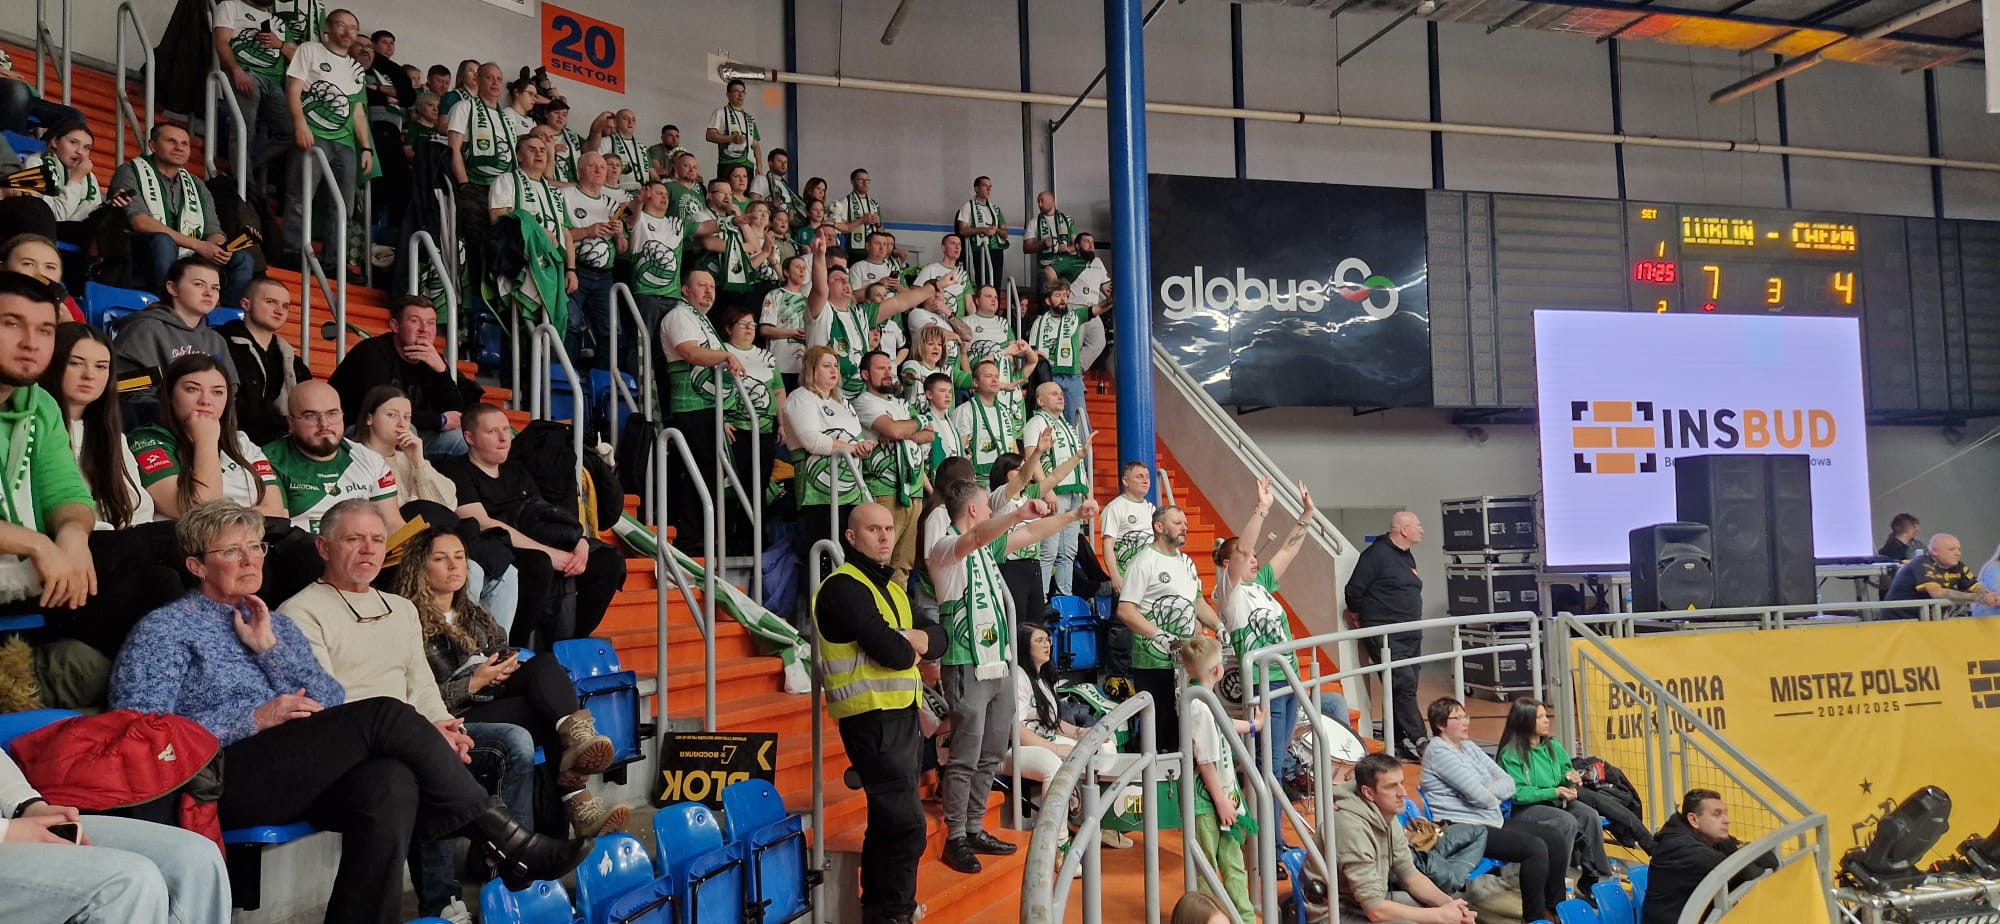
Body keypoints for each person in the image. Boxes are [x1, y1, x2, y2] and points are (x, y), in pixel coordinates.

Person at [110, 500, 592, 922]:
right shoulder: (165, 631)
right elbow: (137, 733)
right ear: (196, 565)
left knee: (390, 783)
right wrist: (252, 720)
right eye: (232, 551)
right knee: (385, 713)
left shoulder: (273, 624)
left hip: (293, 769)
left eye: (256, 546)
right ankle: (507, 842)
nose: (250, 558)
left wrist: (269, 650)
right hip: (218, 777)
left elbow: (328, 698)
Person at [395, 525, 626, 829]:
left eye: (460, 557)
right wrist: (475, 682)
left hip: (493, 695)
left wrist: (504, 667)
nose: (454, 566)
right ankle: (576, 808)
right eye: (440, 559)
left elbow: (498, 649)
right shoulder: (407, 619)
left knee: (544, 666)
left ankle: (577, 740)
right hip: (454, 716)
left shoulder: (472, 612)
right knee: (547, 719)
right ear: (420, 567)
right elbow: (418, 695)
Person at [929, 479, 1094, 874]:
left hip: (999, 661)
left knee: (990, 752)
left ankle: (974, 828)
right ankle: (955, 837)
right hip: (967, 661)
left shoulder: (986, 548)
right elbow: (979, 536)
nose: (990, 512)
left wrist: (1072, 515)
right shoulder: (944, 547)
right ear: (972, 510)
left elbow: (1030, 534)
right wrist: (1016, 513)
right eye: (986, 507)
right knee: (966, 755)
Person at [813, 502, 943, 924]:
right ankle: (896, 912)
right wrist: (914, 644)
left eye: (889, 528)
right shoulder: (842, 587)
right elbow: (894, 653)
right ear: (852, 538)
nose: (885, 536)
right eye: (874, 530)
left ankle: (878, 910)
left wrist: (914, 640)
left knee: (888, 823)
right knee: (907, 825)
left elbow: (940, 637)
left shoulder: (893, 588)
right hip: (869, 720)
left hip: (902, 717)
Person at [37, 322, 184, 659]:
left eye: (101, 366)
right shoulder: (37, 428)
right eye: (76, 363)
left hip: (121, 553)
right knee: (180, 539)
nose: (90, 375)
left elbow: (138, 508)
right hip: (68, 549)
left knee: (166, 579)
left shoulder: (111, 436)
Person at [440, 403, 627, 646]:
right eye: (492, 431)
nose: (503, 438)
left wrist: (578, 542)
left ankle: (570, 642)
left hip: (534, 539)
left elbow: (545, 514)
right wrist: (550, 554)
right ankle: (515, 646)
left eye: (505, 429)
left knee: (607, 561)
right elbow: (484, 523)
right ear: (469, 438)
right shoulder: (455, 471)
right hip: (493, 547)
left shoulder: (517, 470)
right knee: (538, 564)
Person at [0, 746, 231, 924]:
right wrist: (8, 832)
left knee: (195, 858)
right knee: (128, 882)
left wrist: (27, 805)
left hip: (12, 821)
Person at [1418, 697, 1569, 923]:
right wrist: (1487, 792)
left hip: (1489, 819)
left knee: (1554, 837)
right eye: (1458, 718)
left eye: (1466, 716)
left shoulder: (1468, 746)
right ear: (1440, 724)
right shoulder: (1439, 752)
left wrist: (1488, 790)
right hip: (1463, 828)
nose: (1466, 722)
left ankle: (1554, 908)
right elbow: (1482, 797)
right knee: (1534, 848)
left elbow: (1508, 783)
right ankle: (1534, 918)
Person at [1214, 476, 1314, 779]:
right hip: (1264, 682)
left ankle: (1272, 809)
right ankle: (1264, 811)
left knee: (1279, 759)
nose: (1254, 560)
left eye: (1257, 557)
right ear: (1228, 565)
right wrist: (1261, 508)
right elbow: (1243, 550)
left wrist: (1307, 514)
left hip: (1289, 676)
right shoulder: (1227, 593)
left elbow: (1287, 551)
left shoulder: (1261, 585)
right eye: (1248, 557)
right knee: (1269, 761)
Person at [112, 123, 255, 307]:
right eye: (171, 141)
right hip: (141, 250)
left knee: (242, 259)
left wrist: (219, 247)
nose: (179, 148)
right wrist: (198, 245)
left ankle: (225, 318)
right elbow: (139, 222)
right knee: (163, 241)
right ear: (152, 145)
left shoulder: (196, 184)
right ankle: (167, 306)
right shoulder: (130, 172)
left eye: (184, 144)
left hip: (189, 252)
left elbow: (213, 230)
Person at [1332, 753, 1480, 924]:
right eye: (1391, 787)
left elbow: (1411, 876)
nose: (1402, 793)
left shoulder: (1388, 815)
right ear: (1368, 793)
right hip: (1336, 911)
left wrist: (1451, 906)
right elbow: (1374, 910)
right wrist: (1440, 916)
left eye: (1401, 783)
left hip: (1362, 902)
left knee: (1430, 907)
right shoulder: (1350, 828)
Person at [1118, 504, 1218, 748]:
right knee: (1158, 732)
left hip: (1186, 661)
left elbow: (1198, 602)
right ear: (1159, 527)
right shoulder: (1143, 562)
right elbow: (1125, 610)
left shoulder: (1187, 562)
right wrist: (1159, 635)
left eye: (1186, 523)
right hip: (1153, 663)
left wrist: (1219, 625)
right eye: (1177, 523)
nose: (1185, 527)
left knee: (1185, 730)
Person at [1496, 698, 1615, 896]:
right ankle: (1555, 882)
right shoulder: (1511, 754)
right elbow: (1518, 794)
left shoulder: (1553, 746)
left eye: (1546, 715)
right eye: (1540, 717)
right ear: (1525, 720)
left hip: (1555, 801)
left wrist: (1570, 780)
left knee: (1590, 816)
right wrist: (1555, 791)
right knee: (1566, 821)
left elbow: (1564, 773)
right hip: (1524, 808)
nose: (1546, 720)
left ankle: (1595, 879)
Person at [279, 8, 370, 264]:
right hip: (314, 134)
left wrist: (365, 147)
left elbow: (358, 112)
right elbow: (293, 89)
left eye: (353, 27)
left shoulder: (356, 67)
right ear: (327, 29)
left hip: (346, 144)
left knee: (343, 207)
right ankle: (292, 253)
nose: (348, 31)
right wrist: (300, 125)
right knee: (300, 197)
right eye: (342, 25)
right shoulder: (310, 50)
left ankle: (334, 262)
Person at [328, 296, 472, 457]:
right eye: (415, 321)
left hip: (411, 432)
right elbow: (383, 410)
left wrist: (441, 371)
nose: (424, 329)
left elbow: (457, 414)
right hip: (356, 431)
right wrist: (440, 421)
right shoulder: (372, 353)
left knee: (464, 439)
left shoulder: (432, 359)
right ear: (395, 326)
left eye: (431, 323)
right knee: (402, 429)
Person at [1181, 635, 1260, 921]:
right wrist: (1222, 802)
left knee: (1232, 859)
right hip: (1207, 797)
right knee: (1207, 864)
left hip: (1219, 793)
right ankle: (1206, 917)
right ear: (1218, 670)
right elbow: (1205, 763)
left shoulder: (1204, 698)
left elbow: (1223, 722)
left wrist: (1253, 725)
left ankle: (1245, 917)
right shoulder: (1198, 706)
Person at [781, 345, 877, 577]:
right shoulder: (800, 398)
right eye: (826, 366)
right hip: (818, 491)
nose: (834, 370)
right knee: (822, 552)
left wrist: (863, 446)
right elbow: (812, 441)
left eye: (835, 365)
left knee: (850, 552)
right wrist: (852, 448)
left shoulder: (842, 401)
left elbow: (856, 437)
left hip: (850, 488)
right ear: (811, 369)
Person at [262, 380, 404, 534]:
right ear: (291, 423)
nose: (324, 424)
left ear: (342, 415)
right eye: (311, 415)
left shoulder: (371, 460)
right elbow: (278, 529)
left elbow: (392, 524)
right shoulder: (267, 460)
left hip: (362, 546)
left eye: (332, 413)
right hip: (301, 546)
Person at [1344, 511, 1429, 761]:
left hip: (1410, 633)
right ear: (1404, 530)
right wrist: (1361, 619)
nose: (1422, 530)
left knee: (1402, 688)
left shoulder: (1406, 555)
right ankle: (1422, 741)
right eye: (1418, 525)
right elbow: (1353, 591)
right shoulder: (1376, 555)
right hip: (1386, 635)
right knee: (1403, 686)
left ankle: (1398, 740)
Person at [112, 255, 240, 413]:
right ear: (172, 288)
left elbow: (230, 395)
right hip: (154, 420)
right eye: (199, 284)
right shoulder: (144, 330)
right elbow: (128, 392)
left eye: (215, 288)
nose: (209, 293)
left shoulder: (216, 340)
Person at [854, 351, 934, 586]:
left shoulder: (900, 403)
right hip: (884, 490)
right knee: (879, 561)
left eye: (889, 368)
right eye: (881, 369)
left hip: (913, 489)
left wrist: (903, 430)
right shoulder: (864, 401)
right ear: (865, 374)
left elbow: (930, 434)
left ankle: (897, 607)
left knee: (903, 565)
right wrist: (910, 427)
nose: (888, 373)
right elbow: (896, 430)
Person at [1642, 789, 1777, 924]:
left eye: (1725, 813)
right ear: (1694, 820)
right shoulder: (1683, 849)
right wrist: (1744, 854)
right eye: (1717, 814)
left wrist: (1743, 852)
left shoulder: (1711, 837)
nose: (1727, 820)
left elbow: (1767, 859)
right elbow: (1750, 873)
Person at [719, 305, 784, 554]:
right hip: (736, 430)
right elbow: (710, 389)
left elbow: (778, 391)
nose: (749, 329)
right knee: (737, 485)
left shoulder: (766, 356)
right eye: (743, 324)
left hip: (765, 431)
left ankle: (754, 539)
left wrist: (782, 424)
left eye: (753, 325)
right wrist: (721, 419)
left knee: (760, 485)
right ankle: (732, 540)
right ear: (728, 328)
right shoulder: (721, 352)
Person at [1019, 382, 1090, 596]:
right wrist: (1046, 489)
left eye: (1061, 393)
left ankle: (1064, 597)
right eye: (1053, 394)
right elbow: (1032, 457)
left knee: (1068, 551)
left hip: (1074, 492)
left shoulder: (1066, 425)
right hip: (1055, 493)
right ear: (1040, 401)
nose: (1060, 397)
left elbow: (1077, 463)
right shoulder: (1036, 422)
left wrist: (1086, 492)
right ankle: (1040, 599)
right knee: (1048, 550)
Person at [219, 276, 309, 444]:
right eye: (270, 302)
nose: (279, 310)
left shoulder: (294, 362)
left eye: (285, 306)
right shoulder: (220, 345)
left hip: (284, 445)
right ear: (246, 304)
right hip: (232, 441)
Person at [564, 152, 627, 368]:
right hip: (576, 270)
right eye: (593, 166)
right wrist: (586, 232)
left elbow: (623, 249)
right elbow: (558, 234)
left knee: (612, 331)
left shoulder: (613, 205)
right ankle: (567, 377)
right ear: (580, 170)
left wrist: (619, 234)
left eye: (603, 166)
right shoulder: (565, 196)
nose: (600, 170)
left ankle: (604, 381)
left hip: (605, 275)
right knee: (571, 324)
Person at [1884, 533, 2000, 612]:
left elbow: (1976, 587)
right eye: (1951, 549)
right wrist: (1978, 598)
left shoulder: (1958, 566)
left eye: (1959, 549)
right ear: (1935, 551)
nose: (1957, 553)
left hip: (1929, 620)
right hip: (1901, 620)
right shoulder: (1922, 563)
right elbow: (1937, 593)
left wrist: (1989, 596)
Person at [952, 359, 1022, 479]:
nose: (994, 380)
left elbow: (1012, 443)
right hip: (980, 480)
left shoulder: (1004, 410)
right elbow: (958, 450)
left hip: (1008, 479)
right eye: (988, 376)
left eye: (997, 377)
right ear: (975, 382)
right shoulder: (964, 410)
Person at [1027, 281, 1085, 423]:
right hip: (1049, 377)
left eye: (1065, 295)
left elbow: (1099, 308)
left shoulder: (1075, 316)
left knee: (1078, 420)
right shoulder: (1038, 322)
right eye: (1058, 295)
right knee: (1052, 419)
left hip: (1073, 376)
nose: (1063, 299)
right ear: (1048, 300)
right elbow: (1032, 353)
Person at [1099, 461, 1154, 596]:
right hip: (1128, 575)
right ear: (1125, 481)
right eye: (1139, 477)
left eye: (1147, 477)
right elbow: (1108, 545)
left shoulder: (1151, 508)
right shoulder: (1114, 508)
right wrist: (1115, 576)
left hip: (1152, 575)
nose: (1145, 481)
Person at [759, 253, 810, 390]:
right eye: (797, 267)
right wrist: (793, 333)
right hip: (780, 363)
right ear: (786, 272)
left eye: (804, 268)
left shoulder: (808, 301)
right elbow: (764, 329)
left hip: (803, 366)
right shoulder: (775, 295)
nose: (802, 271)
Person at [953, 176, 1008, 290]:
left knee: (996, 283)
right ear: (976, 188)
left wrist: (996, 230)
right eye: (985, 186)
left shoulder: (995, 209)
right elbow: (962, 230)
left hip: (997, 249)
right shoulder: (967, 207)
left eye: (990, 186)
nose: (988, 189)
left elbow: (1005, 233)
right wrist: (983, 230)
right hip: (980, 249)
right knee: (984, 282)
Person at [707, 79, 762, 177]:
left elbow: (756, 144)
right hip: (728, 163)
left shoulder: (749, 118)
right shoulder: (720, 112)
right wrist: (732, 138)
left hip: (748, 165)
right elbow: (710, 135)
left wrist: (759, 166)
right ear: (728, 94)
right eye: (736, 91)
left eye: (743, 92)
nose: (740, 95)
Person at [1025, 190, 1077, 288]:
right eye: (1038, 202)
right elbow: (1026, 247)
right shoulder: (1034, 222)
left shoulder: (1067, 220)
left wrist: (1068, 249)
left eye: (1042, 201)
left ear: (1052, 201)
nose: (1039, 205)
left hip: (1066, 268)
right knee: (1046, 296)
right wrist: (1042, 245)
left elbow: (1078, 244)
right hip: (1045, 270)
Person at [830, 168, 885, 260]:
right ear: (852, 182)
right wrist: (861, 220)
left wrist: (878, 224)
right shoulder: (845, 202)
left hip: (873, 251)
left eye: (867, 180)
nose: (865, 183)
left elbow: (882, 232)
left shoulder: (874, 204)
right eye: (860, 180)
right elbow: (842, 229)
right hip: (855, 252)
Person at [595, 109, 646, 192]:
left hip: (641, 192)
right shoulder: (605, 142)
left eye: (633, 120)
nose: (630, 122)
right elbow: (599, 168)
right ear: (616, 122)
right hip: (614, 191)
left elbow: (652, 172)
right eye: (625, 118)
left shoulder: (642, 147)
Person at [749, 147, 803, 218]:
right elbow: (752, 204)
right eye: (779, 161)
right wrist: (770, 204)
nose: (783, 165)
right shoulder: (761, 179)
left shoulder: (786, 186)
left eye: (785, 162)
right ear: (770, 163)